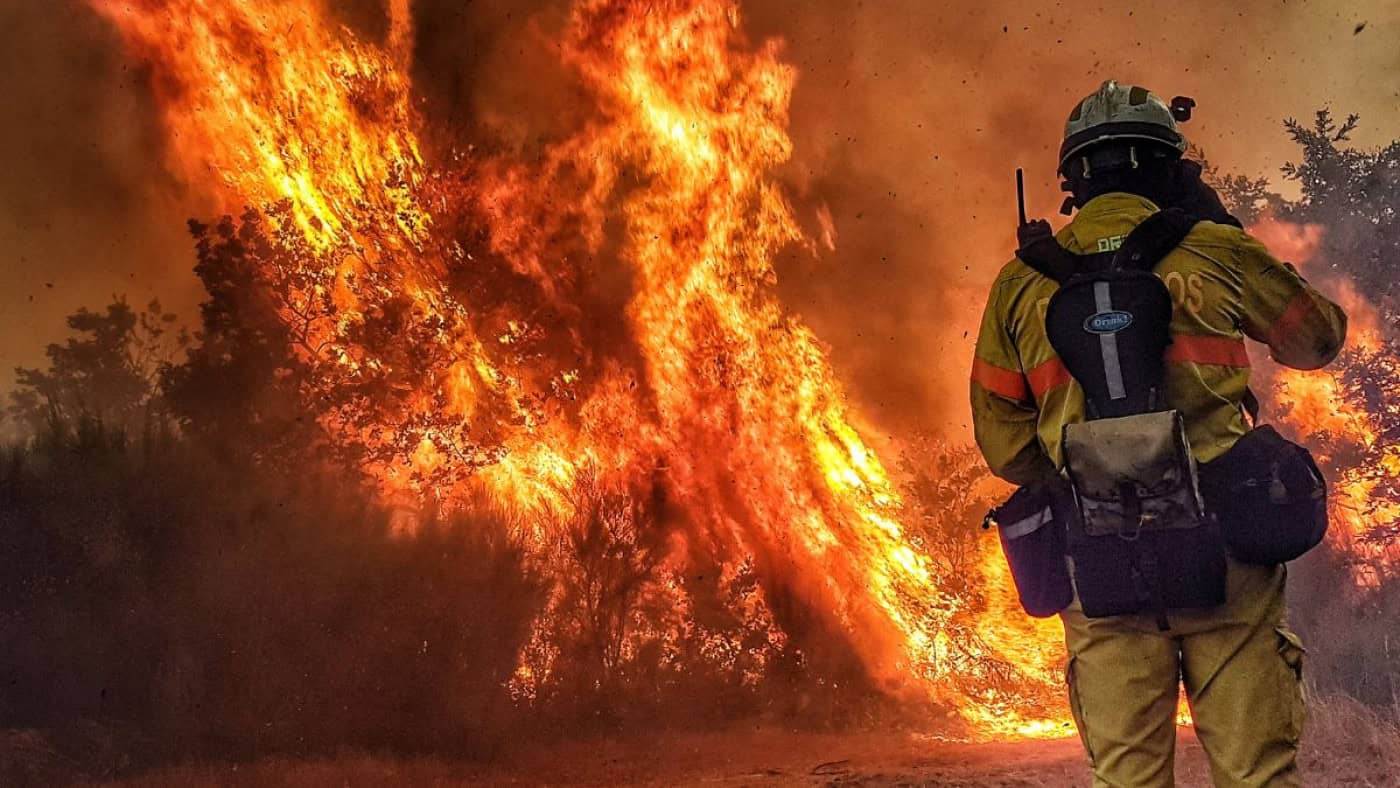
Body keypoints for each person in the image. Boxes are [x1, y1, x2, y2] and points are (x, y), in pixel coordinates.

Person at [970, 81, 1348, 787]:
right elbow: (1317, 341)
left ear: (1072, 182)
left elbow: (1006, 448)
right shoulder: (1214, 250)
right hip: (1228, 549)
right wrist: (1223, 231)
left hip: (1100, 559)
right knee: (1257, 775)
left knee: (1128, 781)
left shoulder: (1018, 285)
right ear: (1173, 168)